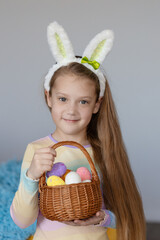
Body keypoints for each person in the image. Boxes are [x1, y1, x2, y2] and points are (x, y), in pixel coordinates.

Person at [10, 22, 146, 240]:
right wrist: (31, 176)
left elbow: (126, 214)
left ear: (96, 105)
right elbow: (22, 220)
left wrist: (103, 217)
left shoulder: (104, 150)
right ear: (49, 98)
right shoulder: (37, 150)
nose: (71, 110)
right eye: (63, 99)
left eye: (83, 101)